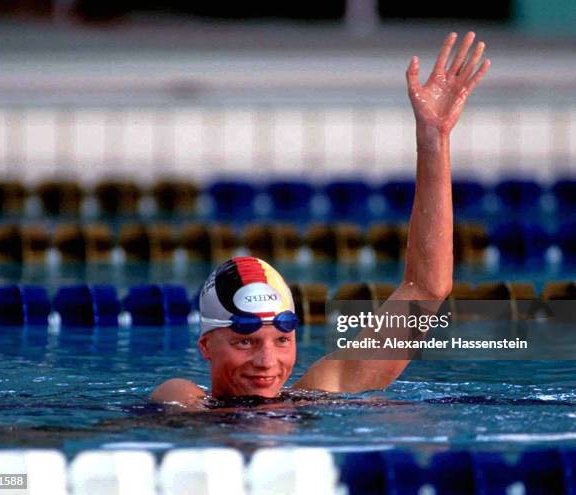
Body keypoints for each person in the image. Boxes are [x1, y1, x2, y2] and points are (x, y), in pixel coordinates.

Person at [152, 32, 490, 406]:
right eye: (244, 340)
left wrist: (434, 138)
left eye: (282, 339)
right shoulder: (182, 396)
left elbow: (426, 290)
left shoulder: (319, 394)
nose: (267, 362)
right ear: (206, 345)